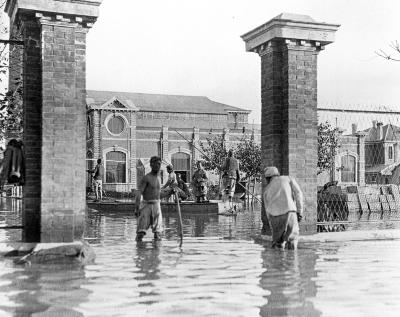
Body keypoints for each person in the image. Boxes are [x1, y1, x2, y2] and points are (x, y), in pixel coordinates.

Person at [262, 166, 304, 250]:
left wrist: (272, 225)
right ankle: (292, 260)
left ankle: (278, 260)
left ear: (268, 178)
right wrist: (300, 211)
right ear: (277, 174)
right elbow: (298, 193)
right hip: (291, 212)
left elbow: (267, 212)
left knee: (278, 244)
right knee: (292, 240)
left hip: (275, 216)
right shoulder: (288, 179)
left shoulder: (266, 190)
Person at [135, 156, 163, 242]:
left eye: (159, 164)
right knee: (140, 233)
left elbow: (158, 193)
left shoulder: (159, 178)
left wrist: (171, 192)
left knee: (158, 234)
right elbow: (139, 193)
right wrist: (137, 208)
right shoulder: (146, 178)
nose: (157, 166)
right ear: (151, 165)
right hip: (146, 205)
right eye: (155, 164)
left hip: (156, 206)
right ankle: (140, 252)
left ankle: (155, 254)